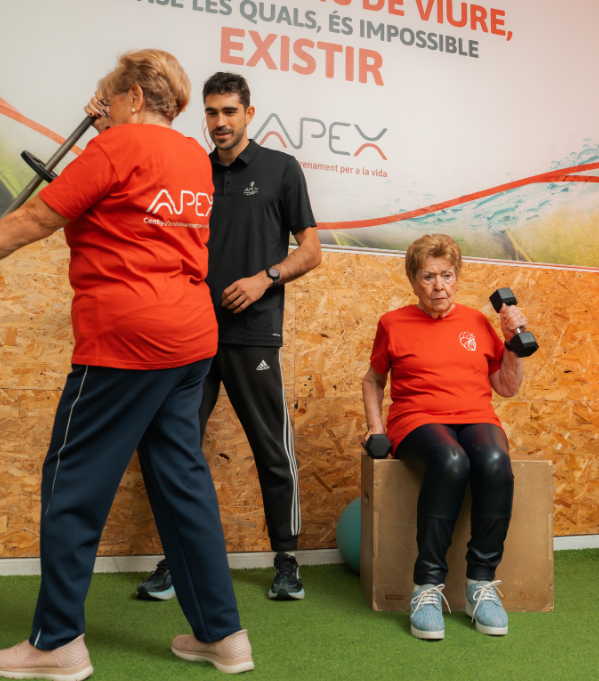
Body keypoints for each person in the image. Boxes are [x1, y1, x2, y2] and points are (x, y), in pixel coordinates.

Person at [0, 50, 253, 681]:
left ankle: (57, 642)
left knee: (71, 483)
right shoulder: (193, 162)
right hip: (189, 341)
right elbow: (133, 190)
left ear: (128, 96)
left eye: (106, 97)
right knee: (182, 486)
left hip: (126, 343)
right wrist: (106, 127)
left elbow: (40, 216)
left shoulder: (115, 151)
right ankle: (224, 636)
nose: (100, 108)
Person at [136, 72, 322, 603]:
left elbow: (311, 250)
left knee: (272, 449)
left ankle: (286, 563)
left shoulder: (281, 170)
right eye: (212, 113)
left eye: (229, 112)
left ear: (249, 113)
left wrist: (266, 277)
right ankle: (176, 559)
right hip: (191, 334)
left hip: (253, 336)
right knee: (177, 449)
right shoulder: (191, 168)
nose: (219, 123)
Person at [361, 233, 527, 641]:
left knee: (493, 462)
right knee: (451, 461)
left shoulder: (475, 321)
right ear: (413, 280)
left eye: (447, 275)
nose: (439, 286)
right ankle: (428, 588)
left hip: (474, 415)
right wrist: (375, 429)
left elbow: (505, 386)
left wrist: (512, 346)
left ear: (457, 277)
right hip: (417, 419)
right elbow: (373, 380)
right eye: (429, 276)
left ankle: (480, 585)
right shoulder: (393, 323)